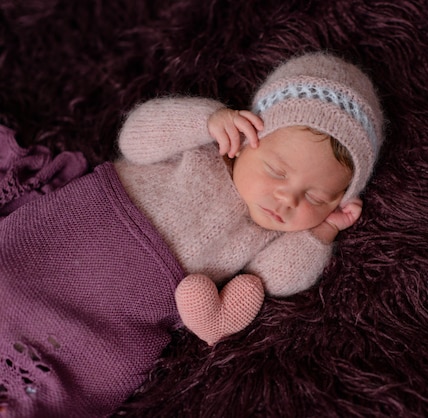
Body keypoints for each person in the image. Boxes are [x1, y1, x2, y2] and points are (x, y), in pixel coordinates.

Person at [0, 52, 384, 417]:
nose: (286, 198)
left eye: (315, 196)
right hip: (85, 228)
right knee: (12, 279)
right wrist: (206, 120)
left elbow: (280, 279)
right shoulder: (208, 147)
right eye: (277, 171)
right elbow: (134, 140)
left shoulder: (269, 231)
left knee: (92, 362)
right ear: (251, 133)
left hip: (135, 301)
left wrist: (320, 232)